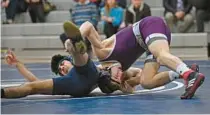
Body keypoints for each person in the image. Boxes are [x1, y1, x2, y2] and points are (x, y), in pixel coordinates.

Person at [63, 16, 205, 99]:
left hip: (148, 26)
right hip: (149, 42)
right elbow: (137, 78)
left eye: (116, 76)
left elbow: (88, 26)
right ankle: (183, 72)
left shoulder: (103, 53)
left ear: (106, 71)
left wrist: (76, 38)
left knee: (161, 57)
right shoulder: (120, 71)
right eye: (119, 79)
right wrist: (125, 88)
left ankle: (190, 74)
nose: (120, 74)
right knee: (146, 81)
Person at [1, 47, 144, 98]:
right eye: (60, 70)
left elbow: (136, 72)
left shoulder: (98, 69)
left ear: (68, 60)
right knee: (32, 88)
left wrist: (129, 84)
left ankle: (74, 46)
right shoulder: (66, 81)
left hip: (92, 73)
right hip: (76, 83)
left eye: (62, 64)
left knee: (109, 80)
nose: (61, 68)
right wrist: (18, 64)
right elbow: (34, 83)